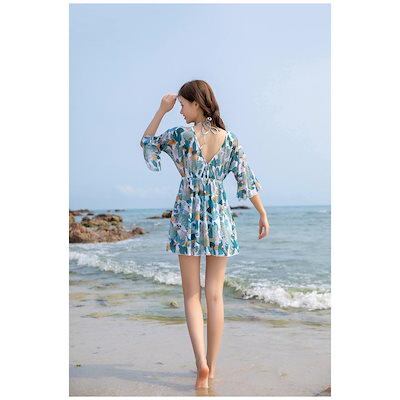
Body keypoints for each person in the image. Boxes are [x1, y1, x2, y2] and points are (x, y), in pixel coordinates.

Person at [140, 80, 270, 389]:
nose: (180, 111)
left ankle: (199, 362)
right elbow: (246, 180)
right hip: (219, 218)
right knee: (215, 295)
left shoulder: (180, 136)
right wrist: (262, 213)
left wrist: (160, 110)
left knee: (191, 294)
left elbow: (147, 143)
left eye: (182, 105)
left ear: (196, 104)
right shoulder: (229, 138)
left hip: (187, 217)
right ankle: (211, 369)